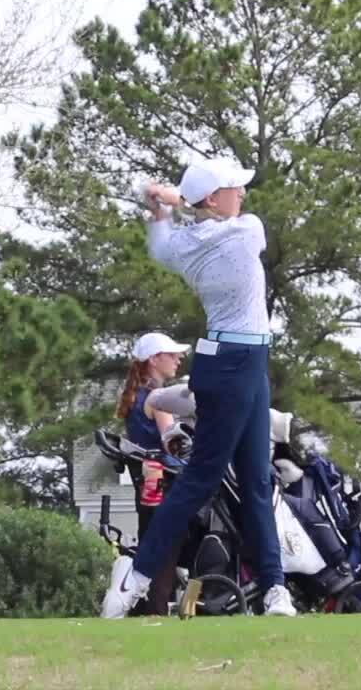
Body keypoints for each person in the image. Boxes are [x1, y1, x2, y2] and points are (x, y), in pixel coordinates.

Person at [101, 156, 297, 618]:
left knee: (254, 481)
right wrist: (172, 199)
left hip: (242, 363)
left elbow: (160, 242)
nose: (243, 194)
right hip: (232, 364)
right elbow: (225, 221)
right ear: (213, 198)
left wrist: (163, 207)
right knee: (199, 480)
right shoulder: (246, 231)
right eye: (234, 187)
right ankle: (135, 580)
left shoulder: (182, 245)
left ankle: (274, 590)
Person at [115, 331, 189, 614]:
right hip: (164, 482)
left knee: (152, 544)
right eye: (172, 355)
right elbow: (174, 444)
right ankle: (157, 610)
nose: (178, 359)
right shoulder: (159, 398)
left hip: (148, 483)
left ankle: (151, 607)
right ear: (154, 360)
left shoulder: (138, 395)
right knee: (166, 549)